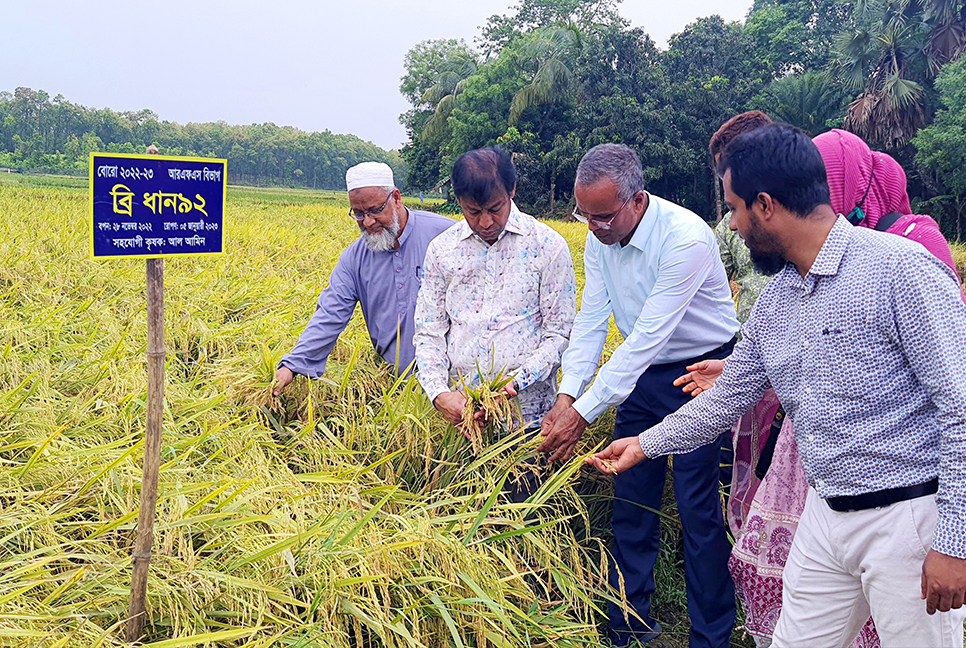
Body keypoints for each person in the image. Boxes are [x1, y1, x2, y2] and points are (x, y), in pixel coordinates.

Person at [588, 123, 966, 648]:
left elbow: (960, 407)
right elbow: (724, 401)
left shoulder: (900, 272)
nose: (733, 224)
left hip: (907, 520)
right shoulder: (778, 302)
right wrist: (642, 445)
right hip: (826, 514)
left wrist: (954, 540)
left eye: (736, 209)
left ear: (765, 205)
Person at [539, 143, 741, 647]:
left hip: (703, 375)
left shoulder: (685, 239)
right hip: (641, 378)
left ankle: (710, 636)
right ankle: (629, 623)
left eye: (605, 216)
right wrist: (567, 396)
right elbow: (591, 320)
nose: (595, 228)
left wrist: (584, 414)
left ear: (637, 200)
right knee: (631, 501)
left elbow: (649, 334)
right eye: (584, 215)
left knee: (699, 512)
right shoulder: (598, 236)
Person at [413, 147, 576, 463]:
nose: (485, 221)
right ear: (458, 200)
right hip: (462, 422)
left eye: (495, 208)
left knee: (524, 509)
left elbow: (560, 335)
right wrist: (439, 395)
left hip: (529, 421)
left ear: (512, 191)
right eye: (473, 211)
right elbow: (428, 333)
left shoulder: (547, 246)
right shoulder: (442, 251)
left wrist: (513, 386)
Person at [274, 162, 453, 394]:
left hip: (456, 385)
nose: (368, 222)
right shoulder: (354, 260)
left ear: (396, 198)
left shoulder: (446, 236)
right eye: (359, 214)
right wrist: (292, 364)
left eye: (375, 210)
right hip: (397, 388)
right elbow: (329, 315)